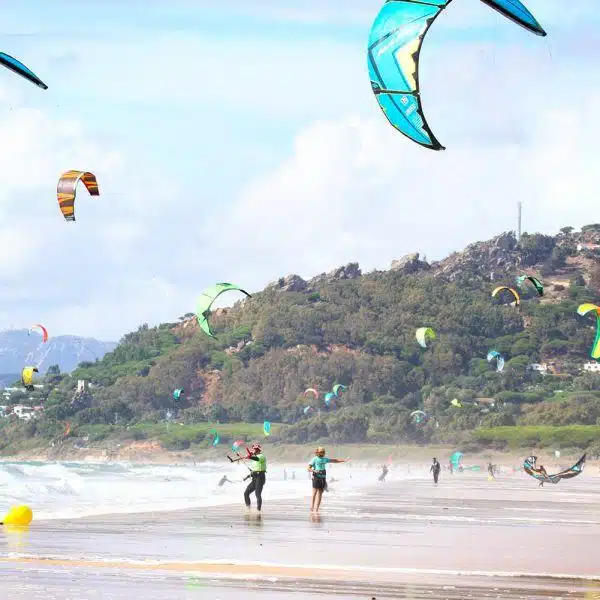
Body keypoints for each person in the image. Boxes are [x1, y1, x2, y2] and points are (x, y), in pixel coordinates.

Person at [308, 447, 348, 513]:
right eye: (321, 452)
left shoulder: (325, 459)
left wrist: (343, 460)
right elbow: (308, 468)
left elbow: (335, 460)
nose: (323, 453)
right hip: (316, 477)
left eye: (323, 452)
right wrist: (314, 470)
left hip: (323, 478)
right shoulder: (314, 459)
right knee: (314, 493)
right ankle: (312, 507)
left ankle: (316, 509)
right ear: (317, 452)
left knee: (320, 494)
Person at [243, 443, 267, 512]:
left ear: (258, 450)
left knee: (257, 494)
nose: (254, 451)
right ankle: (248, 508)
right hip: (254, 477)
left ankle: (258, 510)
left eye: (255, 450)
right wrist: (247, 476)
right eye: (253, 450)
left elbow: (256, 458)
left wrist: (249, 457)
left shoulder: (261, 456)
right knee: (246, 493)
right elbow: (254, 470)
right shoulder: (254, 458)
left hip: (260, 477)